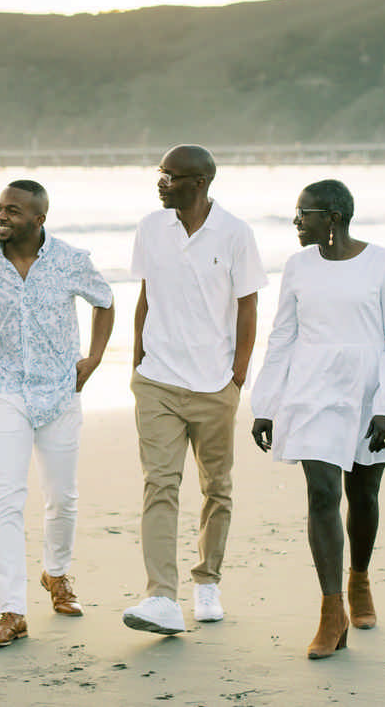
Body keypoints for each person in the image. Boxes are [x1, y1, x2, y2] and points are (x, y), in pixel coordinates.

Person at [250, 179, 385, 659]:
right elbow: (282, 336)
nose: (297, 222)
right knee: (322, 493)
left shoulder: (383, 263)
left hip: (369, 389)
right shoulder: (298, 266)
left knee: (362, 491)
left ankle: (359, 579)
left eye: (305, 213)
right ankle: (332, 611)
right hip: (312, 388)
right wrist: (266, 403)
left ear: (335, 217)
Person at [0, 179, 115, 648]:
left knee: (62, 498)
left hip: (61, 390)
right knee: (6, 497)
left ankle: (57, 574)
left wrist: (96, 357)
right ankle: (11, 610)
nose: (1, 216)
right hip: (5, 389)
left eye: (13, 211)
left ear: (39, 219)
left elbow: (105, 303)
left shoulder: (71, 261)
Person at [122, 145, 267, 635]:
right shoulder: (150, 227)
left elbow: (247, 307)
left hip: (213, 385)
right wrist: (137, 359)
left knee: (216, 488)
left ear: (200, 183)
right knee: (159, 484)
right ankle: (161, 596)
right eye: (160, 174)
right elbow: (145, 296)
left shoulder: (235, 234)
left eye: (170, 176)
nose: (160, 182)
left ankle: (207, 582)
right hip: (158, 379)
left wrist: (237, 375)